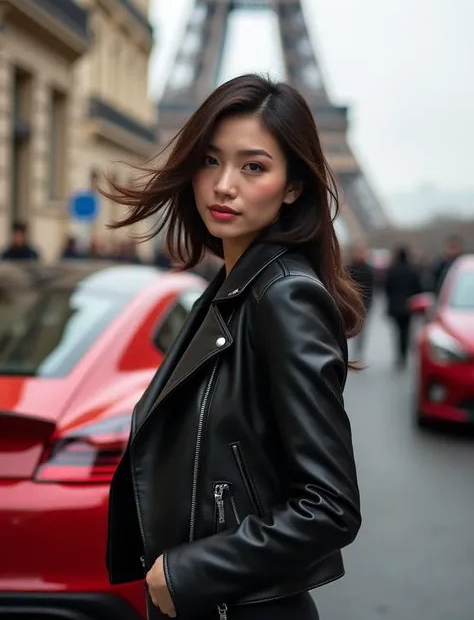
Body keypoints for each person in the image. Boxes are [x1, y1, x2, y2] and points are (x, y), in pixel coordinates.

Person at [105, 74, 364, 620]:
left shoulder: (284, 296)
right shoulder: (232, 288)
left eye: (253, 166)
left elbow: (331, 507)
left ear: (293, 186)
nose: (224, 185)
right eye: (210, 160)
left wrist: (187, 573)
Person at [385, 246, 422, 369]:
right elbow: (418, 288)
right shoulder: (412, 270)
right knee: (406, 332)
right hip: (409, 306)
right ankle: (404, 355)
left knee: (398, 331)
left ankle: (399, 355)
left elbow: (387, 288)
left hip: (395, 306)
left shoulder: (392, 270)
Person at [347, 243, 375, 360]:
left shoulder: (368, 270)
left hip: (363, 305)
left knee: (361, 331)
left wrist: (367, 305)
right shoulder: (349, 268)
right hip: (350, 304)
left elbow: (370, 290)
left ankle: (358, 351)